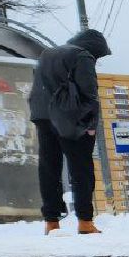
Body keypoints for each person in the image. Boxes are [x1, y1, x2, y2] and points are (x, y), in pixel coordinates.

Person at [28, 28, 111, 235]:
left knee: (49, 168)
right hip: (70, 118)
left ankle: (51, 222)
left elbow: (38, 86)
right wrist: (91, 125)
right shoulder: (82, 56)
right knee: (81, 169)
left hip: (42, 116)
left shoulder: (47, 54)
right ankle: (85, 221)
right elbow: (90, 93)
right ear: (93, 48)